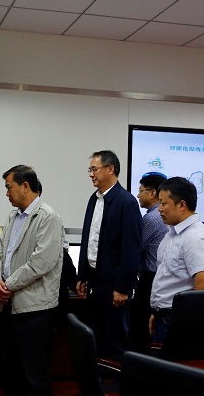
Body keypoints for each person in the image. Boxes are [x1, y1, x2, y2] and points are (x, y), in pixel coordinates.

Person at [0, 165, 64, 396]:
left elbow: (40, 263)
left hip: (34, 308)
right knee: (12, 368)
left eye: (9, 187)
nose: (6, 193)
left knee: (34, 372)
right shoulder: (13, 216)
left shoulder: (48, 217)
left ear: (25, 186)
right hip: (9, 303)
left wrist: (7, 285)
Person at [76, 150, 142, 361]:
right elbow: (89, 240)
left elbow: (131, 250)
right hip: (95, 282)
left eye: (94, 169)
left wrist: (123, 288)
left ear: (110, 169)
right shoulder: (94, 199)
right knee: (96, 339)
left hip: (114, 286)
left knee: (116, 343)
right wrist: (82, 275)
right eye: (90, 170)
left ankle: (118, 380)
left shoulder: (126, 202)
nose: (91, 174)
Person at [149, 176, 204, 344]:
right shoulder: (173, 233)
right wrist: (158, 311)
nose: (159, 209)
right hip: (165, 316)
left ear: (182, 205)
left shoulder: (195, 237)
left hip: (178, 320)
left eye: (164, 203)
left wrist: (185, 318)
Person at [129, 174, 168, 353]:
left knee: (139, 330)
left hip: (149, 280)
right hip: (156, 279)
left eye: (141, 191)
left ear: (152, 193)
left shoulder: (151, 219)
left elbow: (135, 249)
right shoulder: (162, 217)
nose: (138, 195)